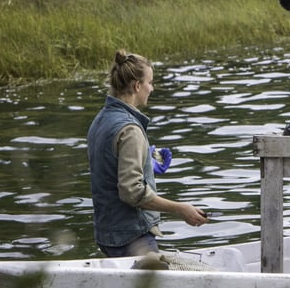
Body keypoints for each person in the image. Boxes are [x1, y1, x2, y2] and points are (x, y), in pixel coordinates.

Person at [87, 50, 209, 257]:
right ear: (137, 86)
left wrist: (146, 166)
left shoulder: (100, 120)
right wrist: (181, 208)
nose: (151, 88)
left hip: (107, 234)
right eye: (150, 82)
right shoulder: (130, 130)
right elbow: (131, 191)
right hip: (132, 237)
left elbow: (109, 169)